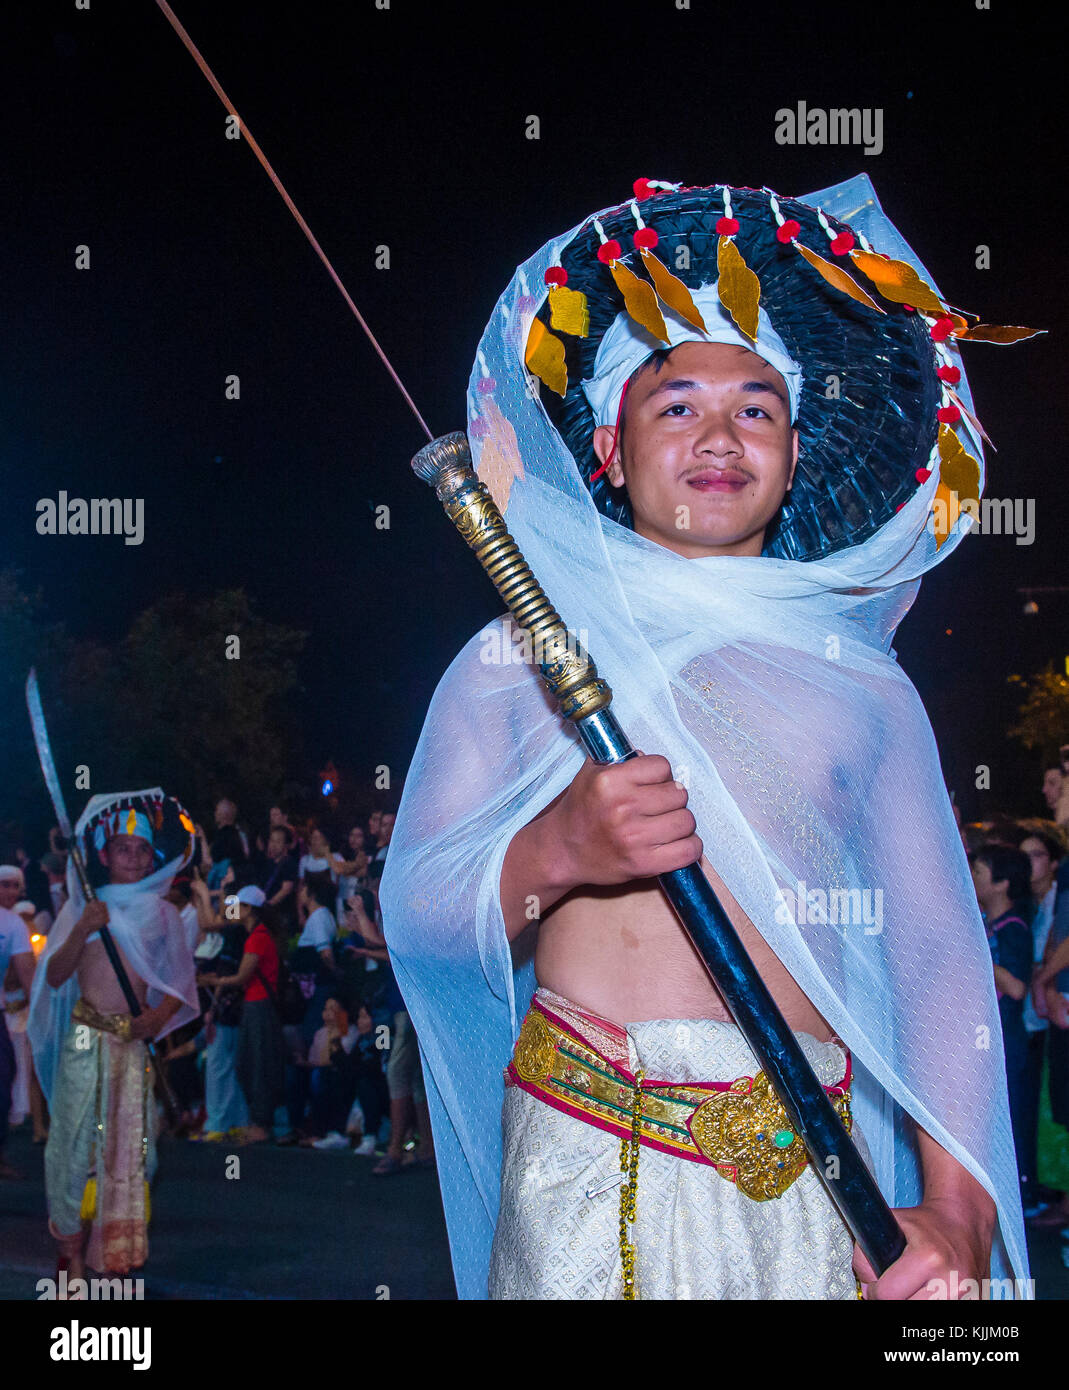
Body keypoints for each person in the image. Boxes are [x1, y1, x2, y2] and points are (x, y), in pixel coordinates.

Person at [381, 175, 1035, 1299]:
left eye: (757, 406)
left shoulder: (862, 688)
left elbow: (932, 952)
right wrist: (556, 852)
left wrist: (962, 1207)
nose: (719, 434)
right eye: (675, 403)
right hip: (582, 1174)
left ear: (795, 447)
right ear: (607, 441)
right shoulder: (515, 657)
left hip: (814, 1192)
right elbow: (417, 915)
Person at [27, 791, 198, 1279]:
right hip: (86, 1041)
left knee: (132, 1149)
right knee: (74, 1147)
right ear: (103, 855)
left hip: (132, 1047)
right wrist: (82, 929)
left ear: (152, 857)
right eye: (122, 848)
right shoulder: (85, 907)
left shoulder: (163, 914)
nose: (133, 858)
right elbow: (55, 976)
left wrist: (155, 1020)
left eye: (141, 850)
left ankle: (117, 1253)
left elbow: (180, 988)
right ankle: (72, 1255)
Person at [970, 845, 1035, 1199]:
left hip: (1008, 1038)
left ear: (1002, 883)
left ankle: (1018, 1198)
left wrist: (977, 947)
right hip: (991, 1037)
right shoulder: (991, 923)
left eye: (979, 871)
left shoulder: (1014, 929)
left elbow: (1017, 986)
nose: (973, 876)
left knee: (1010, 1120)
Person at [199, 885, 285, 1144]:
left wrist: (212, 980)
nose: (233, 911)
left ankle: (261, 1124)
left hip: (259, 1005)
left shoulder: (257, 937)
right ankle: (257, 1121)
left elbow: (242, 977)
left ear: (248, 909)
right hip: (254, 1003)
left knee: (257, 1063)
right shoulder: (253, 934)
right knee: (250, 1062)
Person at [1016, 823, 1063, 1215]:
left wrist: (1043, 977)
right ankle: (1042, 1189)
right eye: (1024, 855)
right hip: (1034, 1016)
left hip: (1052, 1008)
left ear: (1054, 862)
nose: (1029, 864)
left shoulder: (1058, 900)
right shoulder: (1024, 905)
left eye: (1037, 855)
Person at [0, 884, 36, 1178]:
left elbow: (27, 972)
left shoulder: (11, 923)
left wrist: (40, 1013)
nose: (10, 892)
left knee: (4, 1076)